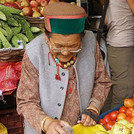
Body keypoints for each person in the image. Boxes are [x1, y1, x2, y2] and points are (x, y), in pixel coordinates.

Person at [16, 2, 111, 134]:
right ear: (46, 37)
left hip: (80, 128)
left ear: (82, 39)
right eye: (58, 46)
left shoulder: (90, 42)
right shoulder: (34, 51)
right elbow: (26, 100)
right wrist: (47, 123)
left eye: (73, 46)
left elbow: (102, 81)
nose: (65, 52)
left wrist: (93, 107)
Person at [102, 0, 134, 112]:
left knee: (115, 87)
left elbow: (106, 20)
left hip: (115, 43)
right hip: (123, 45)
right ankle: (114, 123)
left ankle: (104, 121)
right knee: (124, 89)